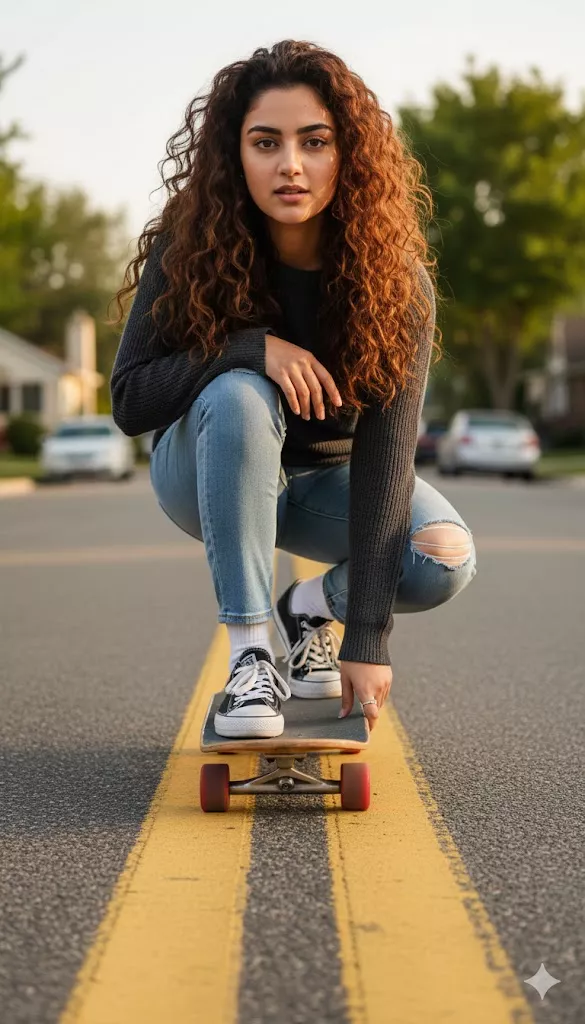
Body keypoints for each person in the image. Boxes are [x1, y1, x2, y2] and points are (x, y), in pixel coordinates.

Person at [109, 39, 477, 740]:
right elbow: (130, 401)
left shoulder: (395, 286)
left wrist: (367, 636)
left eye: (314, 142)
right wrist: (247, 348)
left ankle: (308, 606)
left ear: (347, 154)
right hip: (207, 468)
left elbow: (385, 460)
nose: (290, 165)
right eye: (264, 142)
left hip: (319, 483)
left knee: (441, 557)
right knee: (241, 391)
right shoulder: (187, 251)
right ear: (232, 155)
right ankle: (250, 654)